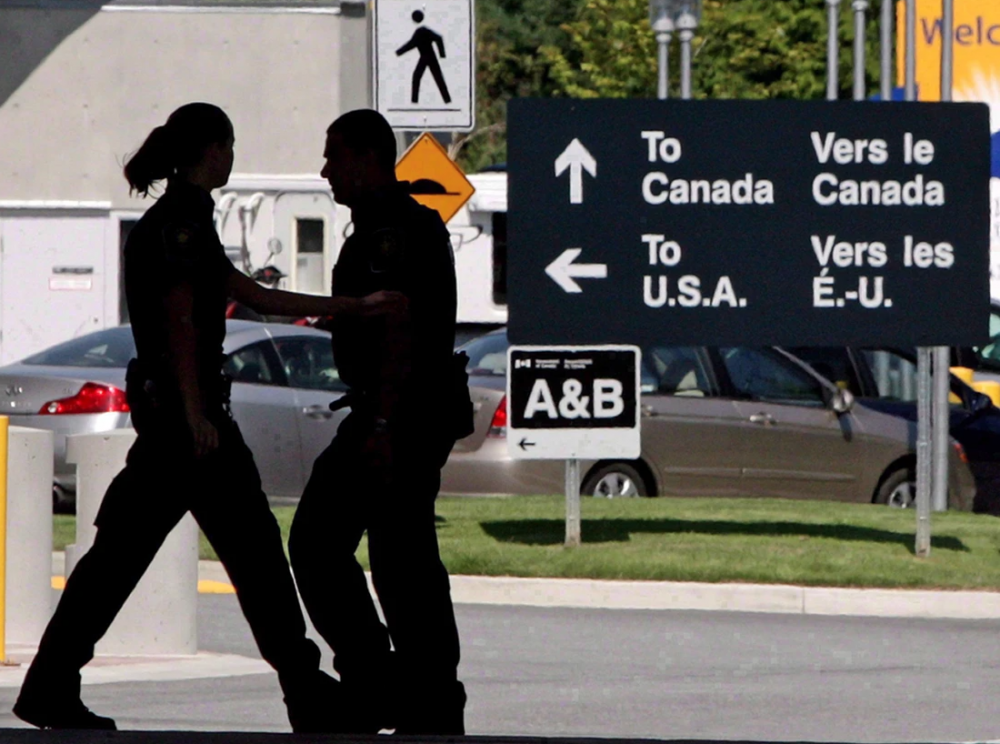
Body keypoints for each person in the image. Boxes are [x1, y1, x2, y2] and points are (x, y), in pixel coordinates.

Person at [13, 102, 406, 732]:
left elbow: (253, 295)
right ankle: (305, 693)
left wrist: (354, 306)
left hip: (179, 426)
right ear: (212, 150)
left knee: (131, 560)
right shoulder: (181, 225)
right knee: (247, 559)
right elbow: (181, 319)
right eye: (229, 146)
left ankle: (51, 685)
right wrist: (198, 414)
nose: (232, 158)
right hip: (191, 431)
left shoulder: (181, 220)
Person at [288, 109, 472, 735]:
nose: (325, 170)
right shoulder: (379, 225)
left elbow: (400, 329)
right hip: (391, 411)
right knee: (392, 556)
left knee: (372, 554)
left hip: (400, 414)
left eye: (334, 156)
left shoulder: (392, 232)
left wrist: (384, 426)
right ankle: (408, 689)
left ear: (368, 158)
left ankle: (402, 688)